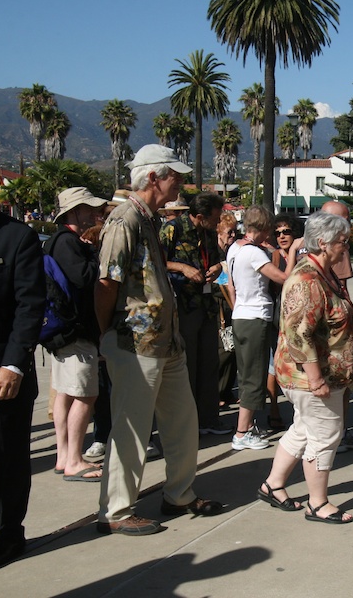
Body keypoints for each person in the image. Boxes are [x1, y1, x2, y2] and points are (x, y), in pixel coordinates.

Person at [95, 144, 223, 536]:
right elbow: (106, 283)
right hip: (135, 344)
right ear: (154, 177)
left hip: (165, 342)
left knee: (183, 422)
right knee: (131, 428)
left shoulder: (147, 218)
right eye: (176, 176)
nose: (181, 183)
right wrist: (106, 335)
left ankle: (179, 495)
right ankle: (116, 512)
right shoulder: (125, 219)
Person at [258, 211, 353, 524]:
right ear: (322, 243)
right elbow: (298, 334)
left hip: (313, 375)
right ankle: (317, 504)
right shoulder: (306, 279)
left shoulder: (322, 271)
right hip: (311, 378)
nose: (345, 247)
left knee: (304, 429)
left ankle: (273, 485)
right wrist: (317, 380)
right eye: (341, 242)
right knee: (325, 435)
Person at [0, 146, 45, 574]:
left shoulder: (15, 236)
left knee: (5, 457)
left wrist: (14, 364)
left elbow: (29, 306)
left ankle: (6, 533)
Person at [49, 187, 109, 482]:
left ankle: (65, 455)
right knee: (86, 395)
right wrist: (100, 257)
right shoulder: (67, 243)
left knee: (65, 393)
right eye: (88, 209)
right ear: (74, 212)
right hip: (77, 333)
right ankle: (73, 459)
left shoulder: (58, 242)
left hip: (63, 333)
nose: (94, 213)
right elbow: (84, 278)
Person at [227, 205, 298, 451]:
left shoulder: (234, 249)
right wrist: (294, 252)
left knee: (247, 372)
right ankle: (242, 431)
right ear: (264, 228)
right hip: (256, 317)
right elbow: (284, 277)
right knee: (254, 376)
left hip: (240, 315)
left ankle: (244, 428)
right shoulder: (254, 253)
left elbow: (231, 286)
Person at [159, 191, 229, 436]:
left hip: (207, 304)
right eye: (215, 217)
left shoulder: (208, 232)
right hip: (183, 305)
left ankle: (209, 419)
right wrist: (183, 267)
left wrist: (217, 268)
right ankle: (186, 423)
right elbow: (157, 261)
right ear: (200, 216)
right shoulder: (172, 229)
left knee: (209, 362)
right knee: (187, 366)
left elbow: (220, 261)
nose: (218, 222)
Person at [319, 200, 353, 454]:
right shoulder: (337, 249)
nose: (348, 226)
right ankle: (340, 433)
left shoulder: (307, 247)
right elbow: (342, 291)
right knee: (343, 382)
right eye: (344, 220)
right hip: (334, 330)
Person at [263, 213, 298, 434]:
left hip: (298, 319)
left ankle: (298, 411)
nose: (282, 236)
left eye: (286, 231)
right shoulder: (274, 257)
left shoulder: (304, 254)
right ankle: (274, 409)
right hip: (278, 318)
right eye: (277, 233)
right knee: (273, 366)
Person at [215, 213, 239, 407]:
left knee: (232, 350)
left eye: (235, 231)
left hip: (232, 305)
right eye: (229, 231)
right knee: (223, 351)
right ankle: (219, 392)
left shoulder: (232, 251)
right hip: (219, 307)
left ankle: (227, 390)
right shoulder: (213, 253)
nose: (233, 235)